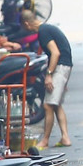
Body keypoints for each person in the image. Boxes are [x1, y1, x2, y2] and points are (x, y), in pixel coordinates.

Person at [22, 12, 73, 149]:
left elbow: (55, 53)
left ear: (27, 24)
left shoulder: (43, 32)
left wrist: (49, 75)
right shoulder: (47, 28)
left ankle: (45, 140)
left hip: (60, 67)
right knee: (55, 104)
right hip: (64, 67)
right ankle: (65, 138)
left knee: (47, 105)